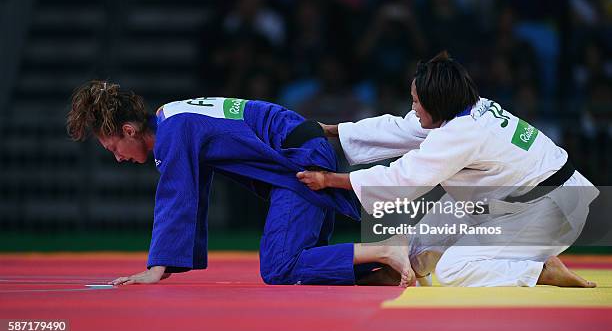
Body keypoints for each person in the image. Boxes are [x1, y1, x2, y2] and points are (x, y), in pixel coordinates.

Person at [66, 81, 415, 287]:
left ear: (128, 130)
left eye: (113, 147)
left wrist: (157, 266)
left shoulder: (174, 131)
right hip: (299, 148)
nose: (118, 157)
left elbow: (178, 196)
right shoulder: (173, 118)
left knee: (281, 266)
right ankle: (379, 273)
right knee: (304, 267)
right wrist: (168, 262)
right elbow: (194, 189)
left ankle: (386, 249)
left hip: (298, 155)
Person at [297, 51, 599, 288]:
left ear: (436, 101)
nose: (413, 107)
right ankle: (400, 273)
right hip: (513, 196)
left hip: (551, 208)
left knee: (455, 269)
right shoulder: (463, 110)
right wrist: (332, 130)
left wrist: (329, 180)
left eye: (416, 101)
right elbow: (401, 128)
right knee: (418, 245)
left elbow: (400, 178)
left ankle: (540, 269)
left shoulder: (461, 134)